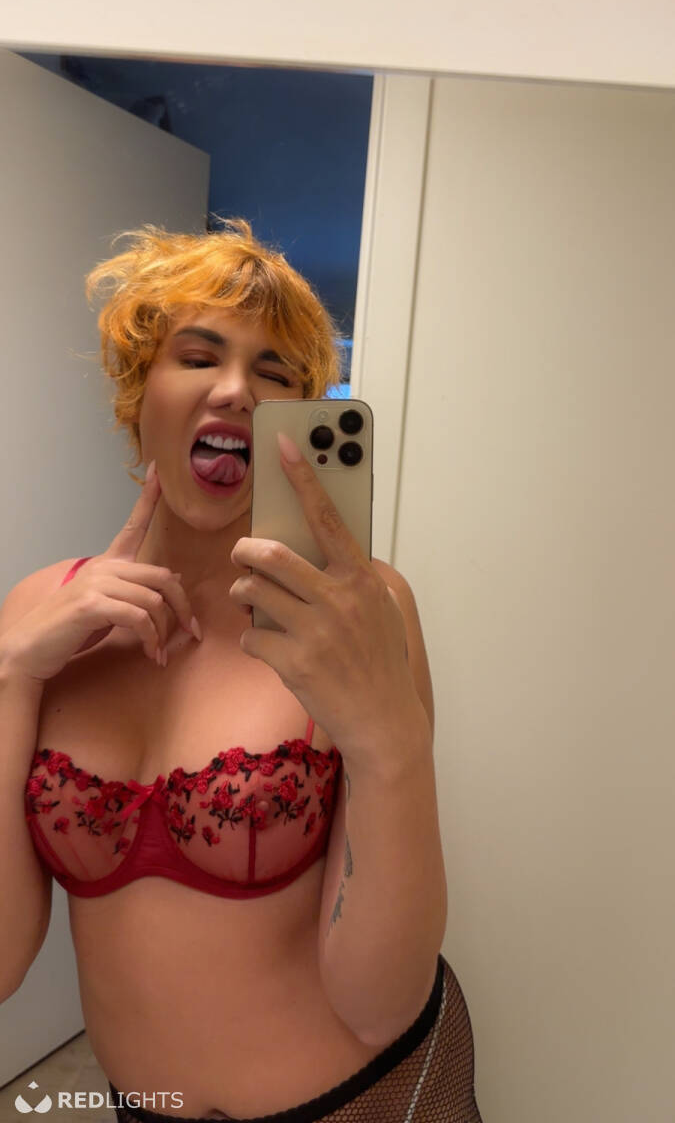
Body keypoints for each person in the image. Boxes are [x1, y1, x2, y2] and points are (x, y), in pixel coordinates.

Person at [0, 219, 482, 1122]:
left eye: (275, 373)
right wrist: (10, 678)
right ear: (138, 392)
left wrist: (390, 745)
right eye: (197, 356)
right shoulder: (40, 614)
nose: (233, 390)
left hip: (365, 1101)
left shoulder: (356, 612)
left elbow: (379, 1002)